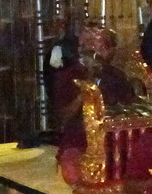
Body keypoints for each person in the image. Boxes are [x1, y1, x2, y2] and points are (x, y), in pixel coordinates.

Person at [53, 26, 137, 185]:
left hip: (114, 140)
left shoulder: (117, 76)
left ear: (111, 51)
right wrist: (86, 92)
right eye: (88, 46)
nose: (95, 53)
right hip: (79, 139)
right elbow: (62, 117)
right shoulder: (67, 76)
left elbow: (128, 110)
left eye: (102, 47)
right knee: (74, 175)